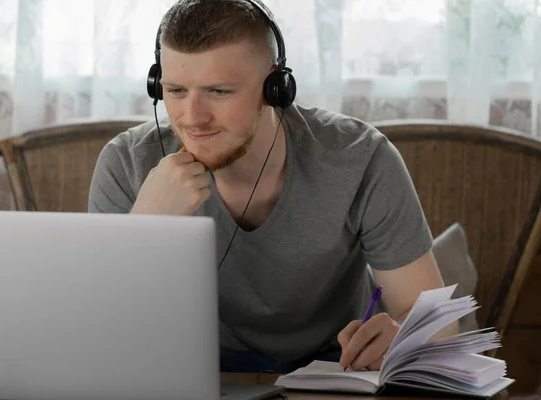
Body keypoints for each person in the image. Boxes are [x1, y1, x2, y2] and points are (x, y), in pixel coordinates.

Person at [88, 0, 456, 374]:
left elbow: (436, 325)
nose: (193, 118)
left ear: (275, 86)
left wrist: (401, 339)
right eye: (176, 90)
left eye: (219, 91)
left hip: (337, 370)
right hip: (197, 371)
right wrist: (145, 230)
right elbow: (103, 337)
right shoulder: (126, 164)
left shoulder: (360, 157)